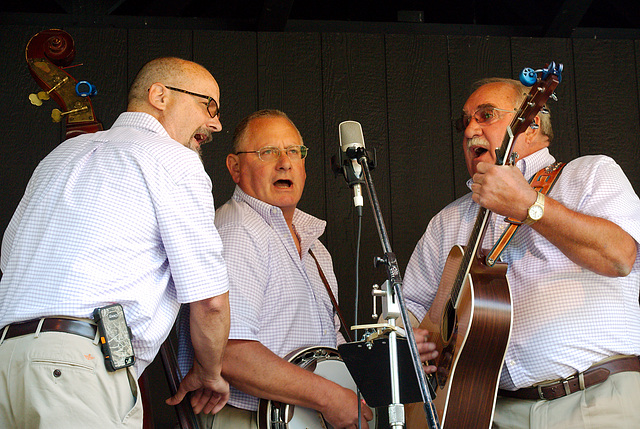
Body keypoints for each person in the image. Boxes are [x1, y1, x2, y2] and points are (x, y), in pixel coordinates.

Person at [0, 57, 231, 428]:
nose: (216, 122)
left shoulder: (59, 156)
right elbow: (211, 302)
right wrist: (210, 371)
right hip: (76, 369)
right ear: (159, 95)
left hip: (6, 363)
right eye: (209, 105)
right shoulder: (176, 160)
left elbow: (10, 259)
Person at [402, 77, 640, 428]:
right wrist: (411, 338)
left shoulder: (589, 173)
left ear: (531, 124)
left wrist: (531, 205)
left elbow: (621, 257)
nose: (470, 130)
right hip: (492, 412)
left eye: (486, 115)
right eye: (464, 121)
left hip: (595, 398)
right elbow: (410, 307)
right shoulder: (447, 221)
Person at [178, 109, 438, 429]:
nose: (284, 162)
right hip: (246, 419)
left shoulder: (314, 247)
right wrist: (331, 398)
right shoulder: (238, 233)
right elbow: (228, 353)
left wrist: (391, 361)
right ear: (235, 167)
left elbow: (329, 349)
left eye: (293, 151)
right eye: (267, 152)